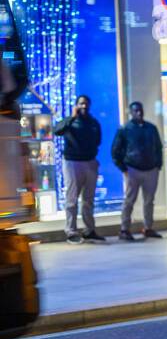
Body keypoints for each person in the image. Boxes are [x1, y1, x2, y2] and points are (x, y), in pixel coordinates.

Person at [53, 94, 105, 243]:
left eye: (86, 103)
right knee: (72, 199)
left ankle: (89, 230)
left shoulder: (93, 122)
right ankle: (71, 231)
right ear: (76, 105)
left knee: (88, 200)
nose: (84, 106)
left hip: (90, 162)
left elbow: (98, 140)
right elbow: (58, 130)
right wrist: (71, 117)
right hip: (73, 163)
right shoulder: (70, 121)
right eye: (81, 103)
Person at [112, 101, 164, 241]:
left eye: (140, 110)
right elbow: (115, 151)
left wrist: (158, 165)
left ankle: (148, 227)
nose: (139, 112)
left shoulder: (151, 129)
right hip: (133, 169)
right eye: (135, 110)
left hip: (150, 169)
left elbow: (158, 147)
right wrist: (124, 169)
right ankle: (124, 229)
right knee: (129, 200)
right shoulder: (125, 129)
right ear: (131, 112)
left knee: (149, 201)